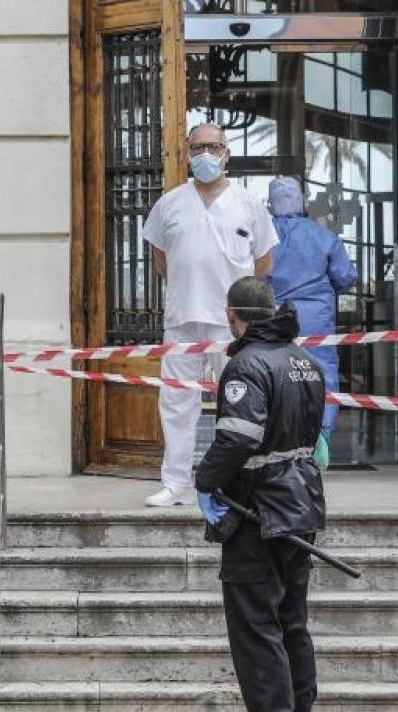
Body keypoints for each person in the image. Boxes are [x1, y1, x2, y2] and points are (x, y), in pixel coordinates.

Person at [195, 277, 327, 712]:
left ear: (234, 314)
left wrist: (204, 483)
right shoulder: (304, 361)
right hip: (301, 507)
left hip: (261, 515)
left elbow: (237, 439)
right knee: (292, 625)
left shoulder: (246, 364)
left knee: (257, 628)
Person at [142, 123, 280, 507]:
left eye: (214, 147)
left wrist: (240, 307)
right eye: (198, 147)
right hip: (183, 317)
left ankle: (238, 480)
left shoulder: (249, 203)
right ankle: (175, 482)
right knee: (176, 401)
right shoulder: (169, 203)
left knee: (238, 402)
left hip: (231, 323)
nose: (206, 154)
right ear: (186, 153)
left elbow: (263, 261)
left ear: (226, 153)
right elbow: (160, 257)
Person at [266, 176, 358, 469]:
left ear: (271, 203)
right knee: (322, 375)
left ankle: (278, 442)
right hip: (315, 318)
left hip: (274, 315)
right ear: (302, 200)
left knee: (273, 375)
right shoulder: (324, 236)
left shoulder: (262, 237)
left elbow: (250, 275)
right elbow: (345, 278)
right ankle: (320, 439)